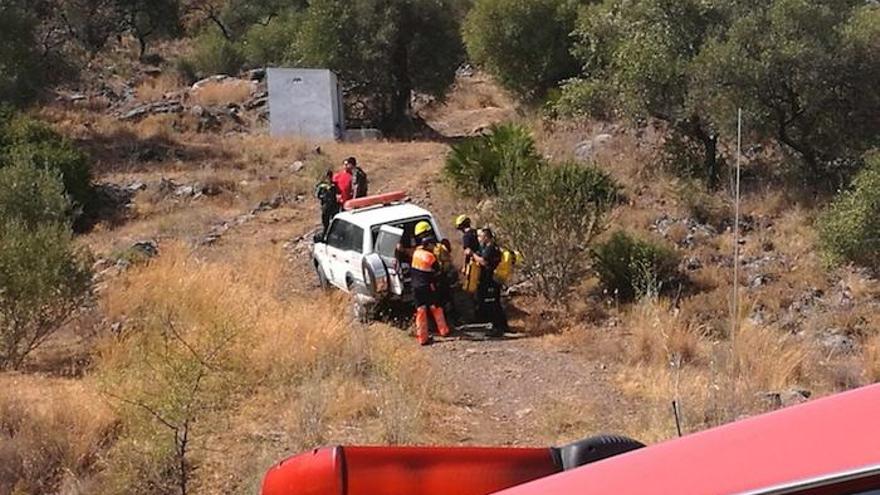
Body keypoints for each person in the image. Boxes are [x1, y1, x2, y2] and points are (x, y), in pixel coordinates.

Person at [410, 221, 451, 345]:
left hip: (415, 287)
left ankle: (422, 338)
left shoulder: (416, 253)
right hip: (428, 286)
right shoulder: (430, 257)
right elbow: (439, 271)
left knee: (421, 311)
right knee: (436, 307)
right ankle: (444, 331)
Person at [471, 228, 510, 337]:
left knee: (491, 304)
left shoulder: (490, 248)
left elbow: (484, 261)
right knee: (496, 304)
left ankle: (497, 328)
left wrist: (473, 255)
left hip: (490, 280)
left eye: (481, 236)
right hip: (493, 280)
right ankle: (503, 326)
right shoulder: (492, 247)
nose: (479, 239)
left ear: (486, 237)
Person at [314, 170, 340, 235]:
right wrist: (323, 196)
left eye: (330, 176)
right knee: (325, 221)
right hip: (325, 205)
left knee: (334, 221)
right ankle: (325, 233)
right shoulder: (322, 185)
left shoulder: (334, 184)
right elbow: (317, 194)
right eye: (328, 176)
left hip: (334, 205)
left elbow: (338, 192)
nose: (329, 178)